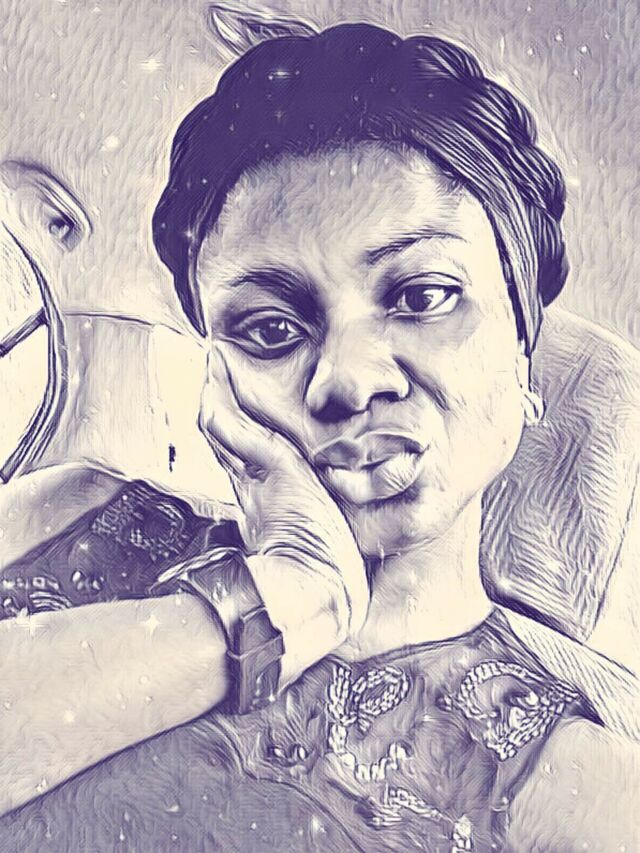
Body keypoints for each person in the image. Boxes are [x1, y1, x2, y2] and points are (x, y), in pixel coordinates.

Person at [0, 22, 637, 852]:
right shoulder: (66, 516)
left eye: (422, 296)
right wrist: (279, 597)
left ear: (523, 348)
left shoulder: (588, 791)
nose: (348, 380)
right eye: (270, 329)